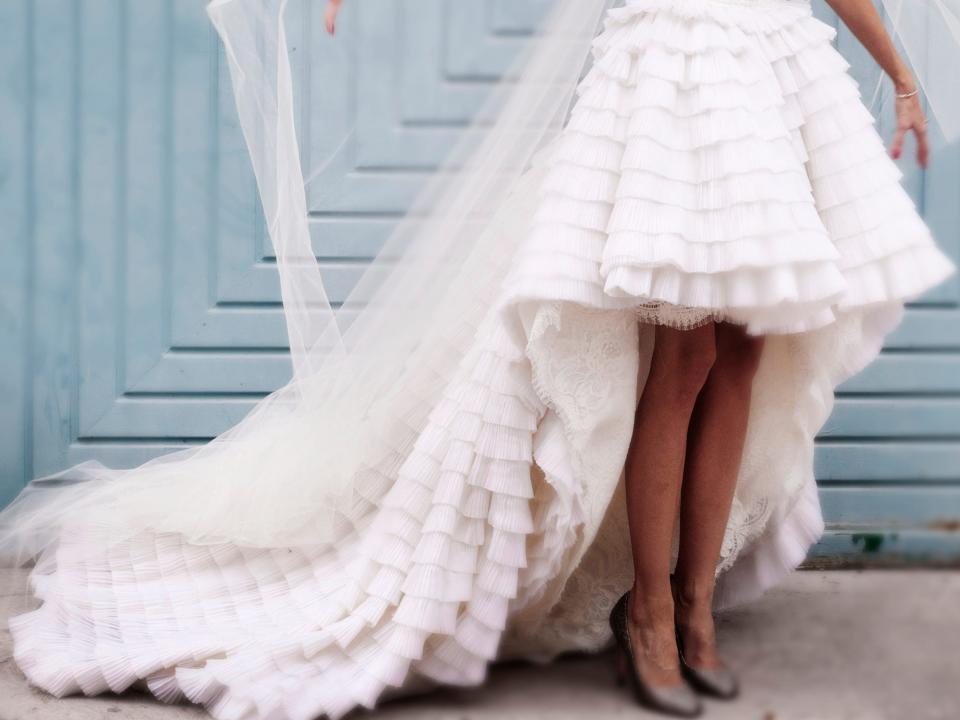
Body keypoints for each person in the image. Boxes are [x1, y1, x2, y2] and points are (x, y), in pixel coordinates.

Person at [1, 0, 955, 718]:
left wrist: (900, 73)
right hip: (678, 64)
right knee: (685, 353)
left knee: (746, 348)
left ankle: (697, 607)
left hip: (776, 60)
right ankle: (653, 614)